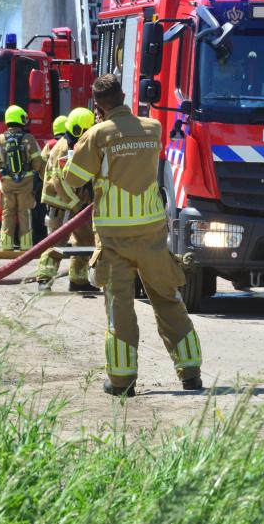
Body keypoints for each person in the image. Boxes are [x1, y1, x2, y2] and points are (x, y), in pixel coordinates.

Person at [64, 75, 203, 397]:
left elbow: (73, 179)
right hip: (152, 232)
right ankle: (191, 373)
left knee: (120, 307)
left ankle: (122, 381)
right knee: (168, 300)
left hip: (114, 237)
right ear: (124, 95)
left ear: (97, 104)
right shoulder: (152, 128)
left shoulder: (97, 135)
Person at [36, 107, 97, 292]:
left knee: (85, 240)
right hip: (61, 204)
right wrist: (76, 204)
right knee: (56, 242)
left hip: (77, 204)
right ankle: (44, 278)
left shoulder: (75, 145)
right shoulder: (63, 147)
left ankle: (78, 280)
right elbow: (58, 181)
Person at [0, 105, 45, 252]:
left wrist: (3, 171)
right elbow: (38, 161)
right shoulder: (29, 139)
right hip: (26, 182)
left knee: (7, 213)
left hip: (7, 183)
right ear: (21, 119)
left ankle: (6, 245)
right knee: (24, 212)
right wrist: (31, 171)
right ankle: (26, 246)